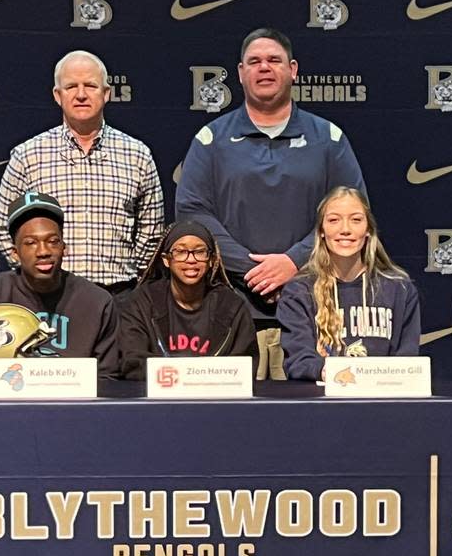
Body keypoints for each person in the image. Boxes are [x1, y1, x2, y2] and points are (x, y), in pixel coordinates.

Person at [175, 27, 366, 376]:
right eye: (255, 61)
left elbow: (352, 214)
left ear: (293, 70)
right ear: (240, 73)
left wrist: (293, 263)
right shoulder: (210, 140)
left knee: (305, 424)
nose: (264, 68)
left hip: (314, 307)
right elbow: (193, 214)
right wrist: (254, 271)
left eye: (274, 60)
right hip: (230, 310)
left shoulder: (328, 138)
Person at [0, 50, 164, 294]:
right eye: (71, 86)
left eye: (90, 86)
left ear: (106, 94)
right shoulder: (28, 155)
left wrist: (131, 278)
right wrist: (36, 275)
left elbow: (151, 233)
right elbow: (2, 228)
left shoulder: (137, 155)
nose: (81, 95)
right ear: (57, 95)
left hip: (117, 298)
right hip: (50, 297)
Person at [0, 191, 119, 380]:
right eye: (31, 243)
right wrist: (16, 368)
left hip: (73, 407)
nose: (43, 251)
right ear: (15, 253)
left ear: (64, 248)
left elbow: (108, 378)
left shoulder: (96, 302)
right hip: (8, 406)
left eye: (53, 241)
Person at [277, 187, 420, 381]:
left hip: (384, 400)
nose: (345, 229)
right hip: (322, 403)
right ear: (321, 231)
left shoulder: (399, 289)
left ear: (368, 230)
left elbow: (407, 359)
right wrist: (334, 373)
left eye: (356, 220)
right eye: (334, 220)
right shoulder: (299, 291)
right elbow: (298, 361)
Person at [118, 220, 258, 380]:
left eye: (199, 252)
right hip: (157, 400)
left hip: (216, 399)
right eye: (181, 251)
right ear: (166, 259)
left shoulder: (231, 306)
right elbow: (132, 361)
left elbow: (245, 366)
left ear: (211, 260)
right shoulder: (142, 302)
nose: (191, 260)